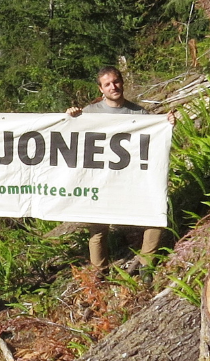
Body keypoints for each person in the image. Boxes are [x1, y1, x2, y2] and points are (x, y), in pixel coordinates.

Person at [66, 66, 175, 276]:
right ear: (101, 89)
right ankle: (99, 274)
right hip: (99, 180)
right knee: (97, 229)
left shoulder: (139, 113)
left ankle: (146, 265)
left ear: (122, 82)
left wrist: (166, 124)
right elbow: (69, 133)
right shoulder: (89, 113)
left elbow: (152, 140)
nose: (113, 87)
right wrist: (71, 116)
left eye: (116, 82)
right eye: (107, 84)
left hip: (128, 179)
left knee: (154, 215)